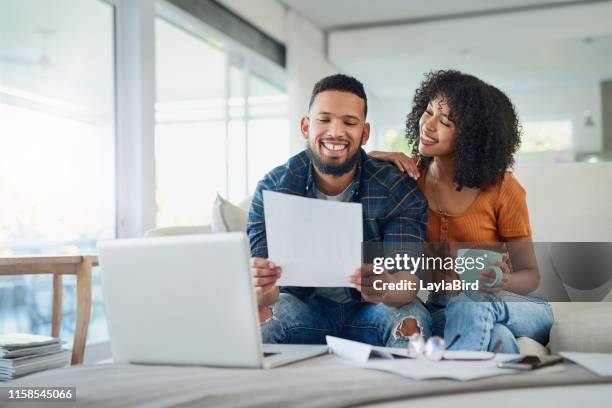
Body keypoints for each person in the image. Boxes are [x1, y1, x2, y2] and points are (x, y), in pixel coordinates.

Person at [370, 70, 554, 353]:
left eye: (445, 121)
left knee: (470, 300)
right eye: (428, 111)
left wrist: (501, 280)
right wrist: (371, 158)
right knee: (497, 338)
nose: (428, 125)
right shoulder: (408, 181)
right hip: (445, 308)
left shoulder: (503, 188)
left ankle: (453, 385)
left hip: (513, 304)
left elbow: (530, 276)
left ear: (472, 137)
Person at [247, 74, 432, 347]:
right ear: (305, 126)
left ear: (364, 133)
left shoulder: (396, 188)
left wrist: (385, 285)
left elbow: (408, 283)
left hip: (370, 311)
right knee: (258, 325)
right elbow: (265, 298)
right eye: (324, 119)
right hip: (302, 308)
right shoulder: (273, 187)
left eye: (349, 122)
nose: (335, 131)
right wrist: (260, 287)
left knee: (411, 322)